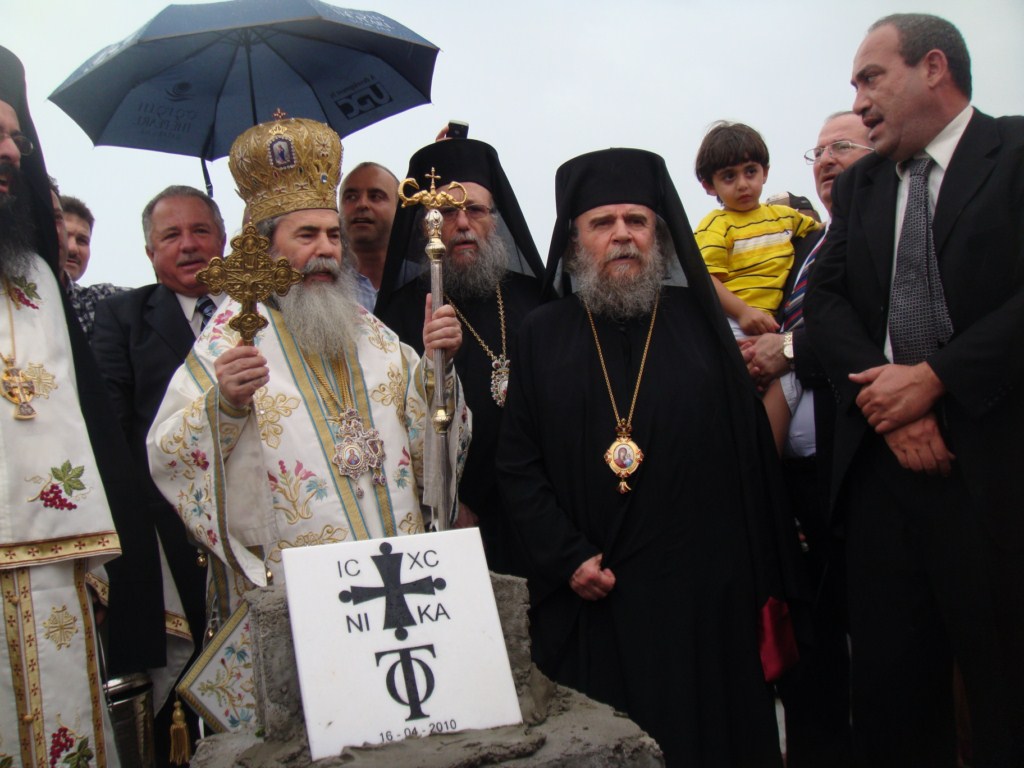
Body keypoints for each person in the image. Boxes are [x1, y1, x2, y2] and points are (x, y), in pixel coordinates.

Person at [146, 116, 468, 730]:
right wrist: (225, 406)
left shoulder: (374, 334)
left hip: (394, 584)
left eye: (333, 235)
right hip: (297, 598)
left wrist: (437, 370)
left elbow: (436, 437)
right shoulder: (227, 343)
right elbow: (168, 454)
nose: (326, 249)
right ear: (265, 248)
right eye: (307, 235)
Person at [498, 147, 801, 767]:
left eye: (636, 220)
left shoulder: (700, 325)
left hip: (702, 602)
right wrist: (566, 556)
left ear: (658, 236)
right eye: (602, 223)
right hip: (593, 595)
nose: (622, 235)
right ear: (574, 241)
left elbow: (748, 458)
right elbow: (517, 464)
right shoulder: (541, 333)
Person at [805, 14, 1024, 767]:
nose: (859, 102)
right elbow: (825, 303)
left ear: (934, 67)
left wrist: (935, 380)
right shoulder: (865, 185)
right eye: (853, 86)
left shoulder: (1015, 153)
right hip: (884, 483)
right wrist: (890, 405)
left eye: (871, 78)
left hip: (998, 474)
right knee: (894, 707)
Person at [0, 45, 163, 767]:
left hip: (54, 575)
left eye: (17, 137)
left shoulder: (34, 278)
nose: (12, 152)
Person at [744, 111, 873, 768]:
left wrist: (788, 348)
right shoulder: (809, 248)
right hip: (802, 480)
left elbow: (865, 330)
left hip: (859, 468)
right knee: (813, 644)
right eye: (817, 152)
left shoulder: (885, 232)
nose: (824, 160)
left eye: (841, 146)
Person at [92, 185, 229, 764]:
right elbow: (112, 432)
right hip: (167, 539)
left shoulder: (259, 310)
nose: (189, 245)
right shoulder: (122, 318)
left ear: (224, 238)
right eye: (171, 235)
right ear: (150, 252)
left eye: (200, 230)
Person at [376, 137, 545, 575]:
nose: (463, 223)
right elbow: (391, 425)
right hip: (456, 520)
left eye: (476, 210)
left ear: (496, 220)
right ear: (424, 226)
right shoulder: (395, 317)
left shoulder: (536, 301)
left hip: (542, 509)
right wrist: (445, 500)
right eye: (448, 212)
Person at [693, 122, 821, 451]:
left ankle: (765, 460)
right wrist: (743, 311)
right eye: (729, 177)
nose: (743, 184)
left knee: (786, 376)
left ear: (765, 172)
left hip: (771, 323)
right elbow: (706, 278)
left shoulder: (785, 217)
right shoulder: (716, 225)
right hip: (733, 318)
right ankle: (757, 459)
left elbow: (822, 234)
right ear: (709, 185)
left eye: (750, 171)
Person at [55, 194, 128, 340]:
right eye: (65, 236)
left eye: (82, 241)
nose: (73, 248)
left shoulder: (99, 301)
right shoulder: (16, 298)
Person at [339, 161, 399, 311]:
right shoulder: (324, 281)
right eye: (351, 197)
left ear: (399, 209)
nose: (362, 204)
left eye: (375, 196)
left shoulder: (422, 280)